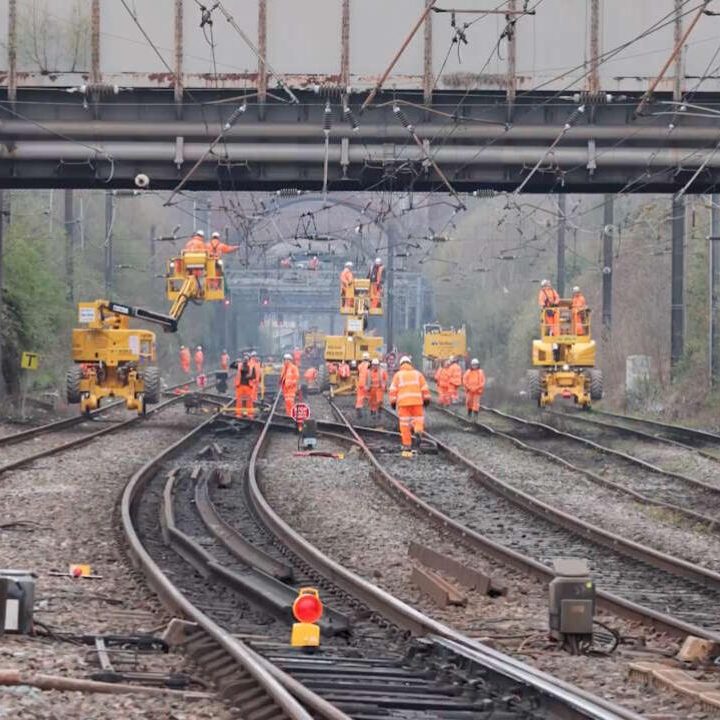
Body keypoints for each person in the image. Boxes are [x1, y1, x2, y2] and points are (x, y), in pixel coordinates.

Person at [388, 356, 431, 455]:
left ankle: (407, 445)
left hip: (403, 404)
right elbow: (425, 388)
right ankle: (418, 431)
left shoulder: (398, 375)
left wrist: (393, 402)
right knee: (418, 420)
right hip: (417, 402)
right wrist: (426, 400)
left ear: (401, 364)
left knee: (404, 425)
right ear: (410, 364)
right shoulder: (418, 374)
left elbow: (393, 390)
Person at [356, 352, 371, 418]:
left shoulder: (360, 365)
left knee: (360, 397)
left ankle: (358, 407)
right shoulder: (369, 365)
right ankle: (368, 412)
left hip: (360, 384)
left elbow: (358, 374)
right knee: (368, 397)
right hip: (366, 384)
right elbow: (370, 375)